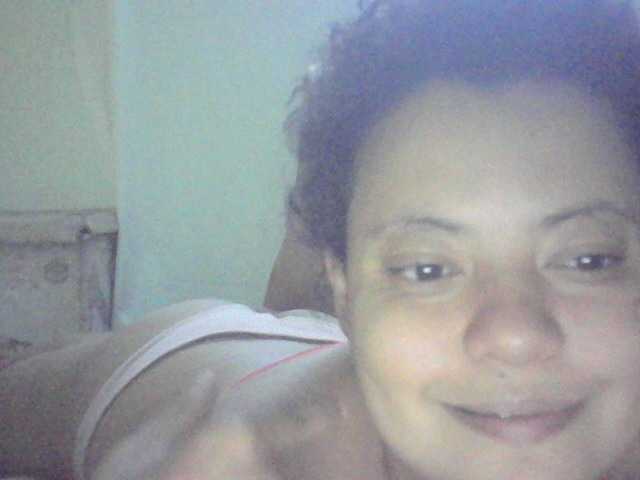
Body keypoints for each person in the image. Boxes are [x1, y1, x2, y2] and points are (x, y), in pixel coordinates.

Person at [3, 0, 640, 479]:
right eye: (426, 268)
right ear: (343, 283)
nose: (516, 335)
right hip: (187, 358)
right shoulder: (254, 460)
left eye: (589, 260)